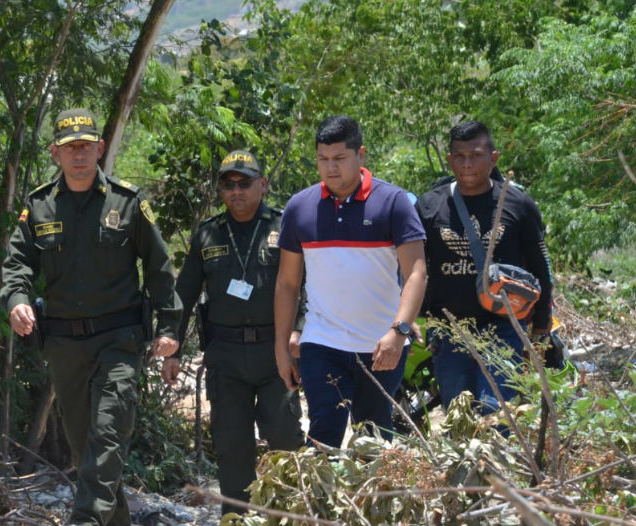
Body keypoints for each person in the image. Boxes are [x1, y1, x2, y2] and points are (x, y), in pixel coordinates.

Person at [0, 108, 182, 526]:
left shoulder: (127, 202)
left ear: (100, 149)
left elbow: (159, 269)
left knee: (105, 437)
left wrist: (170, 329)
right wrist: (16, 300)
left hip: (118, 341)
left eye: (86, 146)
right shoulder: (39, 206)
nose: (79, 154)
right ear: (55, 154)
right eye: (69, 148)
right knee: (89, 454)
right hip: (64, 347)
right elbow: (17, 266)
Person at [273, 115, 427, 448]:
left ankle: (370, 501)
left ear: (361, 155)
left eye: (339, 159)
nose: (330, 168)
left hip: (380, 348)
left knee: (373, 441)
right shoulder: (299, 208)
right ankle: (322, 502)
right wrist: (281, 347)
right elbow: (287, 283)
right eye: (322, 160)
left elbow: (417, 272)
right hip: (321, 344)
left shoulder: (394, 202)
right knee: (323, 436)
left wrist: (399, 332)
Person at [167, 150, 304, 514]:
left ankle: (288, 518)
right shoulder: (208, 233)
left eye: (245, 183)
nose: (236, 191)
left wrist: (300, 331)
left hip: (275, 352)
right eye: (228, 185)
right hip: (226, 356)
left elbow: (308, 286)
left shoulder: (284, 227)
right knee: (231, 447)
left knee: (286, 440)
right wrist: (173, 347)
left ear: (263, 184)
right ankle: (236, 520)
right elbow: (184, 293)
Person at [416, 121, 553, 414]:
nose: (468, 164)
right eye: (460, 156)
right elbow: (413, 268)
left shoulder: (518, 204)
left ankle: (500, 461)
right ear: (450, 159)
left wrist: (542, 323)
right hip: (449, 330)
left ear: (493, 158)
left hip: (504, 327)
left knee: (497, 411)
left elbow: (541, 266)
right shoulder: (428, 206)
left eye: (476, 155)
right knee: (459, 415)